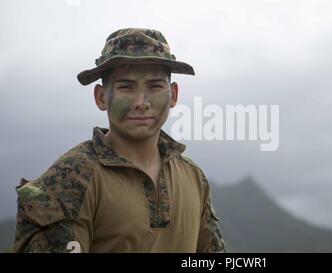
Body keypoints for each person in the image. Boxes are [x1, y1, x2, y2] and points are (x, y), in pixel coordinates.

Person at [14, 28, 226, 253]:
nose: (141, 102)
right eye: (126, 87)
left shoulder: (192, 176)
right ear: (101, 97)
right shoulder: (72, 177)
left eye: (155, 86)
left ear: (173, 95)